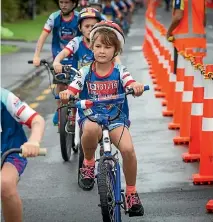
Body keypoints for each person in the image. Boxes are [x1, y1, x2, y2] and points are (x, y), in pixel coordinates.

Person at [59, 20, 144, 216]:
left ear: (116, 50)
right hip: (92, 116)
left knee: (128, 150)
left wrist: (136, 87)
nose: (102, 51)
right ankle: (88, 162)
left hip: (116, 118)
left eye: (108, 47)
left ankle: (131, 192)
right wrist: (68, 93)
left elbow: (130, 82)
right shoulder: (85, 72)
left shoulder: (120, 71)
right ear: (91, 47)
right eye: (98, 46)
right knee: (88, 131)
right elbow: (74, 87)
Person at [1, 87, 45, 222]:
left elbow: (37, 120)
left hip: (9, 153)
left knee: (5, 184)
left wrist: (33, 142)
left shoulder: (4, 97)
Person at [32, 0, 79, 125]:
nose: (63, 5)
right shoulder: (54, 17)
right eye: (61, 2)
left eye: (67, 2)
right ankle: (60, 109)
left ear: (74, 4)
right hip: (59, 57)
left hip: (76, 57)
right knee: (60, 84)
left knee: (75, 86)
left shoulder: (79, 18)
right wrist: (36, 56)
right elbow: (43, 36)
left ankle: (75, 114)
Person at [167, 0, 206, 74]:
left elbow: (178, 16)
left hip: (183, 45)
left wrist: (169, 32)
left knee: (182, 77)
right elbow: (204, 21)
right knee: (196, 78)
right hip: (199, 44)